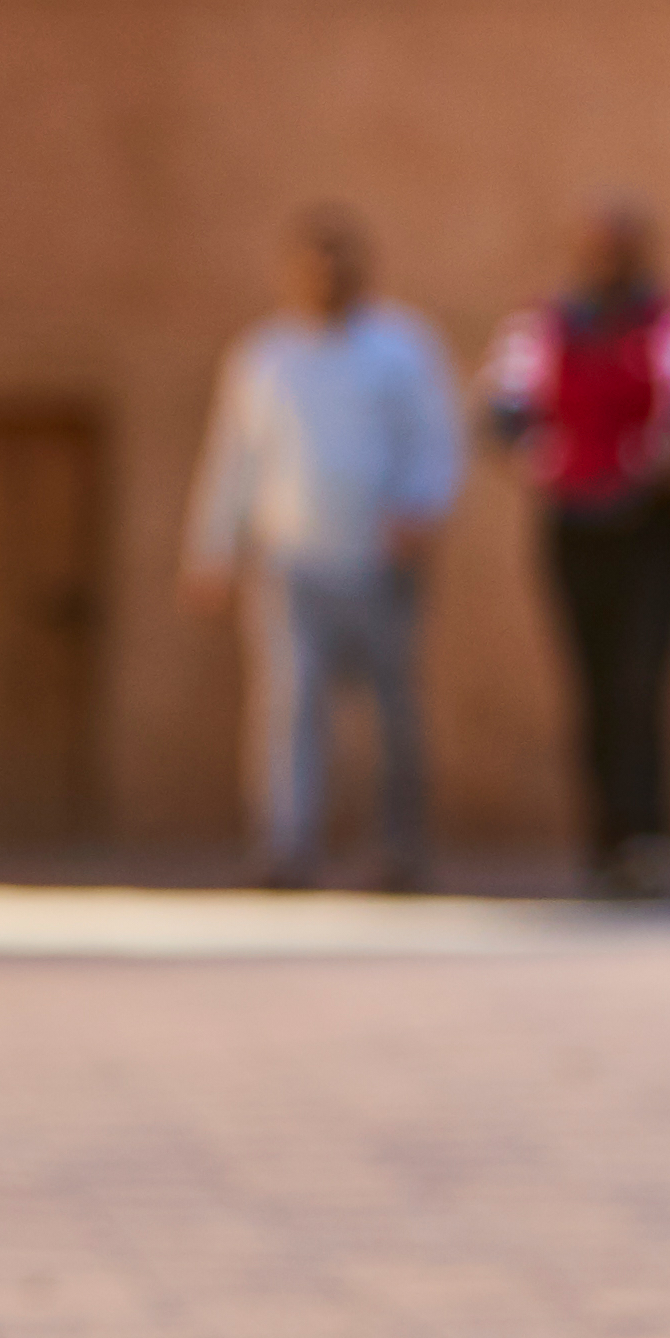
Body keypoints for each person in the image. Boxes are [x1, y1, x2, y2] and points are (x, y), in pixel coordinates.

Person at [479, 200, 670, 896]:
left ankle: (648, 837)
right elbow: (500, 414)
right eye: (597, 246)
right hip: (573, 526)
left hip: (653, 523)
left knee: (645, 679)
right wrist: (536, 452)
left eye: (621, 246)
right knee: (592, 686)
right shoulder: (542, 328)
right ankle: (602, 842)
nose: (608, 259)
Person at [182, 206, 466, 890]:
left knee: (392, 709)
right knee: (289, 704)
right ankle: (286, 847)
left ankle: (399, 851)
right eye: (312, 267)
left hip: (381, 556)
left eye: (339, 265)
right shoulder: (265, 357)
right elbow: (236, 458)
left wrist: (420, 508)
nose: (326, 279)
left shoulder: (401, 348)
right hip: (290, 560)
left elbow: (436, 437)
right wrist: (211, 550)